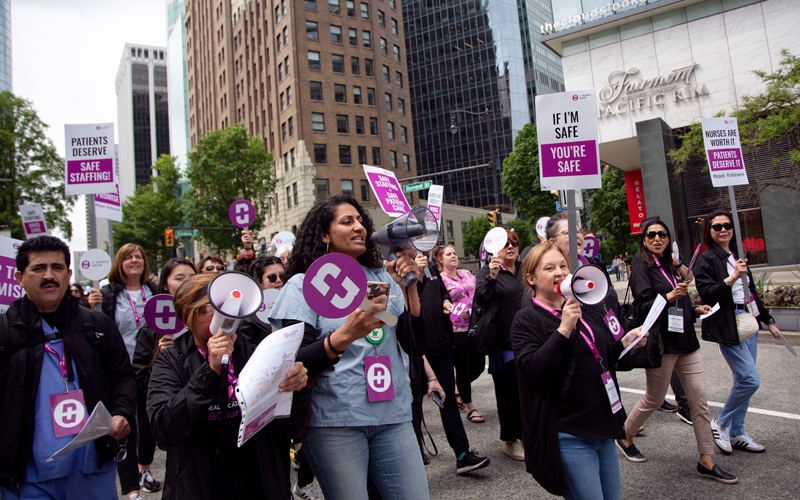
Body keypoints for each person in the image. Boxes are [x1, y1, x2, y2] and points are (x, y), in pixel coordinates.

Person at [268, 195, 431, 500]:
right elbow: (292, 362)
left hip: (392, 417)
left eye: (360, 221)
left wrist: (411, 291)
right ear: (323, 234)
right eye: (347, 221)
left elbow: (416, 344)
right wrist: (343, 337)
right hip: (335, 424)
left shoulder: (383, 277)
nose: (358, 227)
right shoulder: (303, 285)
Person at [147, 273, 309, 499]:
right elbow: (164, 429)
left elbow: (287, 427)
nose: (221, 316)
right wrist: (209, 371)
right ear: (186, 318)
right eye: (207, 311)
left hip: (257, 479)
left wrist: (297, 389)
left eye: (226, 307)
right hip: (200, 484)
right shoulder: (171, 361)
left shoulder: (259, 353)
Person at [0, 235, 136, 499]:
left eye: (57, 268)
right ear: (19, 277)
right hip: (27, 478)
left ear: (68, 273)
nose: (49, 275)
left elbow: (123, 377)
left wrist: (122, 413)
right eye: (39, 268)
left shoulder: (97, 325)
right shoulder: (5, 333)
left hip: (91, 469)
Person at [512, 243, 646, 499]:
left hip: (603, 428)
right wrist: (563, 329)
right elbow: (533, 372)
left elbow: (596, 358)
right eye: (549, 268)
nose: (560, 272)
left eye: (563, 266)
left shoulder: (577, 309)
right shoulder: (526, 319)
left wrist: (624, 343)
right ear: (531, 278)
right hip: (570, 434)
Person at [616, 217, 737, 484]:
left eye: (662, 234)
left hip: (686, 341)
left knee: (699, 401)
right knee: (655, 399)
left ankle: (706, 460)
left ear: (668, 238)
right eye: (651, 235)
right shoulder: (641, 265)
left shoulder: (669, 263)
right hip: (662, 343)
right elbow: (642, 307)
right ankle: (625, 434)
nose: (657, 239)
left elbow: (687, 284)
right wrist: (669, 296)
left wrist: (693, 309)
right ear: (644, 239)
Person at [694, 209, 781, 455]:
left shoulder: (737, 256)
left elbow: (750, 293)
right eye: (717, 227)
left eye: (727, 226)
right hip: (728, 323)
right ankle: (720, 423)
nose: (723, 230)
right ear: (709, 232)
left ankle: (737, 431)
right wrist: (732, 278)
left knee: (742, 380)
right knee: (750, 379)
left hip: (749, 321)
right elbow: (708, 293)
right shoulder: (707, 259)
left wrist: (768, 320)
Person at [87, 243, 160, 498]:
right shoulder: (108, 295)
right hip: (120, 370)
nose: (134, 260)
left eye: (139, 256)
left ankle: (145, 469)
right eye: (128, 257)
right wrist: (90, 304)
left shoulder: (154, 291)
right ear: (119, 263)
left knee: (148, 424)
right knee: (126, 426)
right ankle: (130, 489)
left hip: (149, 369)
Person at [415, 250, 490, 474]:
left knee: (447, 399)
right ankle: (414, 451)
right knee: (413, 403)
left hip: (441, 344)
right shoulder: (399, 272)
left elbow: (441, 294)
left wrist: (446, 303)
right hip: (414, 349)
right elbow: (392, 310)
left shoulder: (431, 271)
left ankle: (462, 454)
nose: (423, 250)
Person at [131, 257, 197, 492]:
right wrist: (162, 362)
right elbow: (140, 377)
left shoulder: (206, 322)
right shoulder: (151, 329)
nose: (187, 283)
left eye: (192, 277)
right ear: (165, 285)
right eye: (179, 278)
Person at [474, 229, 525, 461]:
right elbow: (481, 297)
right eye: (506, 244)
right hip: (503, 342)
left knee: (527, 390)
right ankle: (510, 441)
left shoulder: (525, 268)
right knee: (508, 393)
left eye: (514, 243)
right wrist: (492, 277)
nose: (511, 248)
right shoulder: (489, 271)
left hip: (528, 339)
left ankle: (527, 434)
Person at [435, 245, 486, 423]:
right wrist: (445, 306)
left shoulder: (467, 274)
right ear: (440, 259)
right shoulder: (441, 279)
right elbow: (441, 299)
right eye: (449, 254)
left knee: (479, 365)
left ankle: (458, 389)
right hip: (456, 329)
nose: (454, 256)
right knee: (463, 367)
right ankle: (470, 407)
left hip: (475, 326)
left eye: (455, 253)